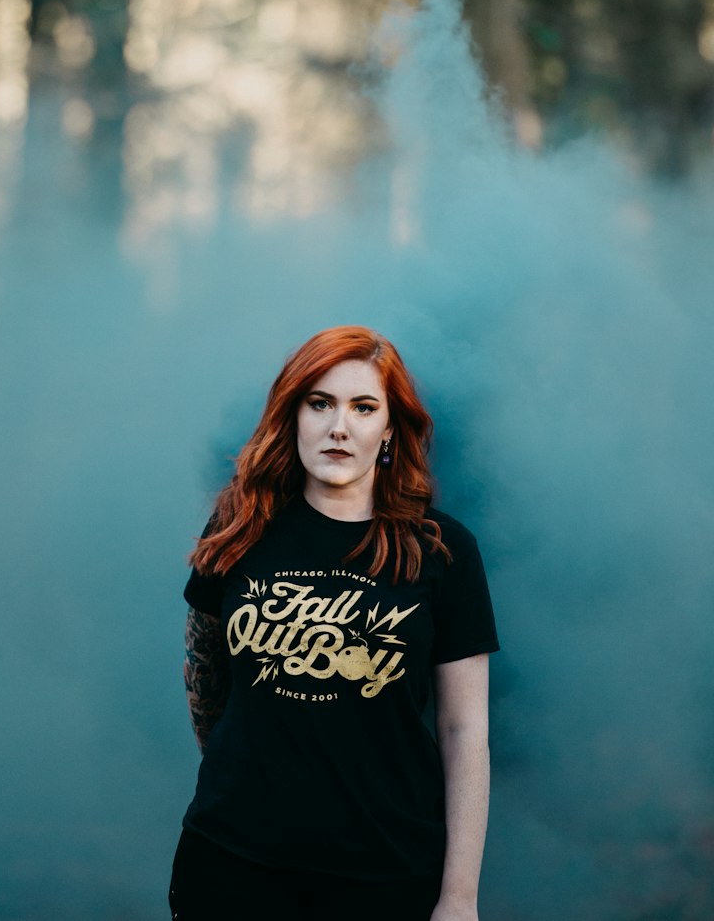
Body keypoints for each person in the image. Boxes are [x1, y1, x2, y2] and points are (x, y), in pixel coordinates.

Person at [169, 324, 500, 921]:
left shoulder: (443, 549)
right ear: (292, 414)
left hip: (385, 872)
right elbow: (204, 672)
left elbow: (464, 731)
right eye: (319, 403)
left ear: (390, 428)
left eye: (363, 407)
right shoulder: (241, 527)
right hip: (232, 864)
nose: (339, 427)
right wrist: (242, 782)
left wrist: (459, 896)